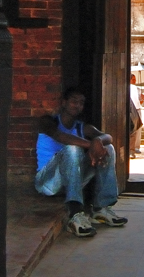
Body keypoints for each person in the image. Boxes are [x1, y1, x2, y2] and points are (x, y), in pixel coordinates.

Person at [35, 86, 128, 238]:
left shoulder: (81, 127)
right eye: (73, 101)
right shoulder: (48, 122)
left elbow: (107, 137)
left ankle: (101, 208)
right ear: (64, 103)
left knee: (108, 148)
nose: (77, 105)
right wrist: (92, 145)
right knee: (73, 149)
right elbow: (61, 137)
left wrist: (98, 140)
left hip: (71, 182)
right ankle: (75, 213)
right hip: (48, 182)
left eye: (81, 103)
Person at [129, 73, 144, 158]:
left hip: (133, 109)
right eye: (133, 79)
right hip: (135, 110)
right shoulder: (136, 88)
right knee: (134, 130)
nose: (134, 81)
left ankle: (132, 149)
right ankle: (133, 149)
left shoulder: (136, 89)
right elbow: (140, 101)